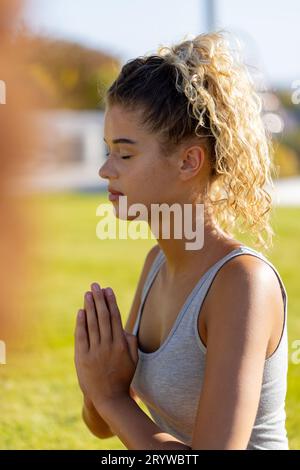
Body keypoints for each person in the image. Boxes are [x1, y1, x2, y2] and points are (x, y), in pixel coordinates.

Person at [74, 30, 289, 450]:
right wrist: (96, 380)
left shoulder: (242, 283)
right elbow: (103, 423)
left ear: (189, 160)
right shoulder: (157, 262)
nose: (105, 171)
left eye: (125, 154)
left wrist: (111, 395)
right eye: (107, 151)